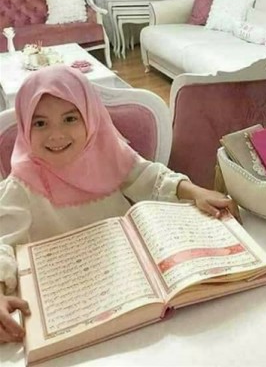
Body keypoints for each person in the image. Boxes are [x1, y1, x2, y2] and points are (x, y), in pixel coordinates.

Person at [0, 65, 239, 344]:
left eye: (70, 119)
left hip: (130, 286)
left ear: (91, 117)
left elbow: (149, 176)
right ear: (25, 126)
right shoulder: (21, 184)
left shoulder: (107, 152)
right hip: (66, 304)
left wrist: (194, 191)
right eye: (40, 123)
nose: (56, 135)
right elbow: (3, 243)